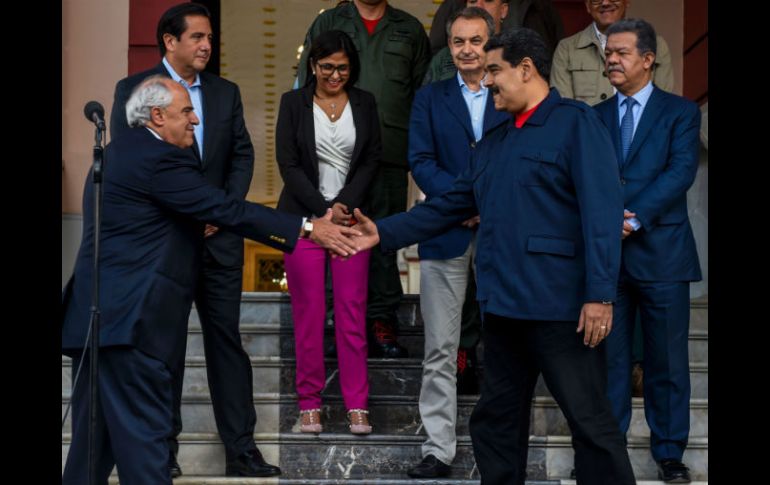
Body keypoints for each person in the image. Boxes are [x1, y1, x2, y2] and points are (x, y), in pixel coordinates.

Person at [350, 28, 636, 484]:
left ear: (526, 69)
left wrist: (600, 295)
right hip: (502, 309)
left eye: (494, 71)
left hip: (564, 311)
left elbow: (602, 215)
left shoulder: (577, 123)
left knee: (591, 423)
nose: (486, 82)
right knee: (497, 423)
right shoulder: (494, 142)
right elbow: (449, 205)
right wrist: (381, 232)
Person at [62, 76, 361, 485]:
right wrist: (308, 228)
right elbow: (222, 207)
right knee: (146, 454)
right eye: (186, 110)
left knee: (90, 456)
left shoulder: (120, 152)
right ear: (157, 115)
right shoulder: (158, 157)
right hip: (131, 326)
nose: (195, 119)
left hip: (99, 325)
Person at [109, 3, 271, 477]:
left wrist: (220, 208)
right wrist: (191, 209)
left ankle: (241, 451)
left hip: (218, 242)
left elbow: (242, 155)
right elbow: (137, 164)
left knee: (228, 345)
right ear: (169, 41)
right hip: (164, 244)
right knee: (166, 349)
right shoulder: (132, 91)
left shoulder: (225, 92)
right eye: (197, 37)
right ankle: (164, 452)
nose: (206, 45)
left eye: (209, 38)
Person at [594, 18, 701, 484]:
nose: (611, 59)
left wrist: (632, 218)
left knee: (668, 361)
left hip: (662, 252)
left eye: (620, 52)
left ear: (647, 59)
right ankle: (607, 450)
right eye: (608, 53)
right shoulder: (593, 116)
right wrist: (603, 222)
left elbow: (680, 173)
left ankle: (670, 452)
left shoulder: (680, 113)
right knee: (609, 362)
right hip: (608, 258)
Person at [404, 7, 509, 479]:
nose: (468, 49)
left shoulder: (510, 92)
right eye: (459, 42)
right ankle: (438, 449)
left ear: (491, 42)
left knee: (506, 344)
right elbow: (420, 161)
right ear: (449, 47)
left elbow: (516, 158)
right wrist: (460, 202)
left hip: (500, 232)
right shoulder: (429, 98)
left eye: (476, 41)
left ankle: (503, 444)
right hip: (445, 232)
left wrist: (483, 201)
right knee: (441, 348)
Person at [296, 0, 430, 358]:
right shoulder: (330, 22)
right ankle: (330, 320)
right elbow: (305, 84)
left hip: (388, 154)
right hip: (334, 155)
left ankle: (380, 319)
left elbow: (423, 97)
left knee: (382, 238)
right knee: (331, 234)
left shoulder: (410, 29)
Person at [276, 30, 380, 436]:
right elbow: (288, 163)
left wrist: (343, 206)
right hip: (303, 224)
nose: (334, 75)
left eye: (342, 67)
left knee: (353, 315)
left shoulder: (365, 103)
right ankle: (310, 404)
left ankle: (357, 404)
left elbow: (372, 159)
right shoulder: (292, 103)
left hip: (352, 223)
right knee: (309, 315)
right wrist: (321, 211)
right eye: (326, 67)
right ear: (312, 66)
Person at [550, 0, 673, 106]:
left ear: (627, 1)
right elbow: (564, 111)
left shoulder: (656, 45)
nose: (605, 3)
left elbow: (663, 105)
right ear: (588, 5)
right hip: (587, 132)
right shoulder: (567, 49)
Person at [425, 0, 563, 84]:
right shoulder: (443, 58)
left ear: (504, 10)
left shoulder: (521, 55)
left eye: (489, 0)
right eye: (472, 1)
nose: (478, 6)